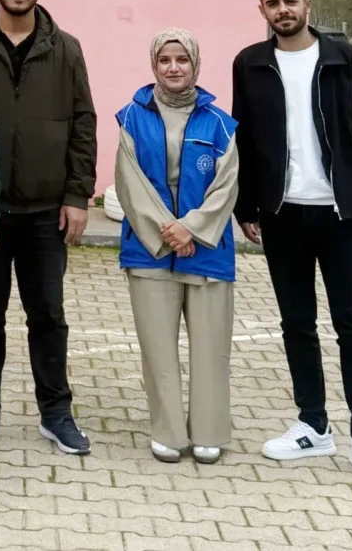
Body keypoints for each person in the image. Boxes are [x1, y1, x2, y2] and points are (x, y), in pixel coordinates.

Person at [233, 0, 352, 488]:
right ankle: (313, 424)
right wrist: (245, 205)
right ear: (262, 10)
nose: (282, 10)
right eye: (273, 3)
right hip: (282, 214)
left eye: (290, 0)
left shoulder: (345, 59)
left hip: (341, 213)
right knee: (297, 324)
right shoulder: (250, 64)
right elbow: (244, 139)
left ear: (307, 3)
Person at [0, 0, 97, 454]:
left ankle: (56, 412)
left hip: (45, 213)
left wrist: (78, 195)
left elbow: (83, 123)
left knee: (48, 316)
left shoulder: (66, 49)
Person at [114, 29, 238, 464]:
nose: (173, 67)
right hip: (150, 251)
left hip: (207, 251)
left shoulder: (220, 123)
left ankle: (208, 431)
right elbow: (129, 182)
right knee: (158, 349)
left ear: (195, 64)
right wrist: (168, 233)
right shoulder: (132, 117)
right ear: (154, 64)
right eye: (165, 59)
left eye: (182, 59)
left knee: (210, 348)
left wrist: (192, 229)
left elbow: (227, 187)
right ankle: (167, 431)